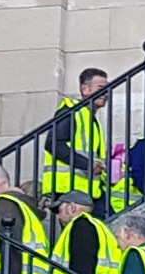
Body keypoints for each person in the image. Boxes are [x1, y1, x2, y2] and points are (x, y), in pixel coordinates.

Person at [43, 68, 110, 202]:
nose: (105, 94)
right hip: (69, 189)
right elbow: (54, 144)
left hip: (87, 190)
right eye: (101, 88)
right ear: (85, 89)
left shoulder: (90, 119)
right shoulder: (71, 110)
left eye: (107, 89)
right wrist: (87, 164)